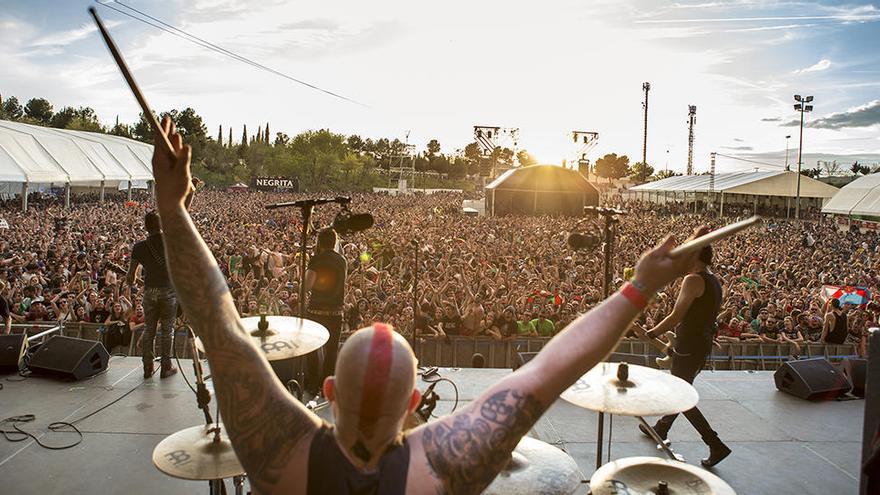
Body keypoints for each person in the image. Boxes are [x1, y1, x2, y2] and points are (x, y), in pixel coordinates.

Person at [149, 116, 704, 495]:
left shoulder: (281, 453)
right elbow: (548, 371)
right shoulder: (442, 464)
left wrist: (172, 209)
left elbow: (218, 325)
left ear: (328, 393)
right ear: (416, 401)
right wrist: (638, 287)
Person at [642, 245, 731, 467]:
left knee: (682, 395)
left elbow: (676, 315)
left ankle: (715, 444)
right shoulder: (713, 280)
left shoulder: (692, 280)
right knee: (681, 388)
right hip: (701, 343)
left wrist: (652, 332)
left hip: (689, 344)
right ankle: (661, 429)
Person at [127, 211, 178, 379]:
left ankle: (147, 367)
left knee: (150, 329)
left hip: (149, 291)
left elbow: (130, 277)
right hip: (169, 290)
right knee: (167, 330)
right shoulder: (172, 243)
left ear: (146, 227)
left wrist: (132, 283)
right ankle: (166, 367)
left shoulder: (139, 247)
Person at [304, 227, 347, 397]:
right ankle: (326, 386)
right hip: (336, 312)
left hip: (316, 311)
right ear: (334, 242)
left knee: (311, 348)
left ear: (319, 242)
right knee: (331, 351)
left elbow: (307, 285)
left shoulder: (316, 260)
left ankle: (313, 384)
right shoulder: (342, 260)